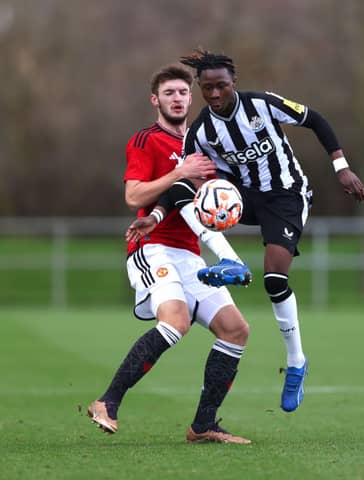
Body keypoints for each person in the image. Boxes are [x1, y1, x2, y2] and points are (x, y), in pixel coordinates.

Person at [179, 48, 364, 413]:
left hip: (287, 195)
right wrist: (161, 209)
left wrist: (340, 167)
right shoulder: (201, 130)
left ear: (234, 83)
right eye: (207, 88)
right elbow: (185, 175)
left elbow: (316, 119)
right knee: (193, 207)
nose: (215, 95)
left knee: (274, 279)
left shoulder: (263, 105)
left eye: (221, 86)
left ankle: (296, 363)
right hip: (244, 198)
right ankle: (230, 261)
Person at [87, 64, 253, 444]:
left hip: (191, 253)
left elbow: (198, 199)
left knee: (235, 329)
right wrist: (180, 175)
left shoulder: (201, 144)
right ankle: (107, 402)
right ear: (155, 100)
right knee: (175, 322)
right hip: (153, 247)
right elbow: (134, 196)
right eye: (169, 93)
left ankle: (204, 425)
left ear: (191, 98)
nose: (177, 98)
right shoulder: (146, 141)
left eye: (182, 93)